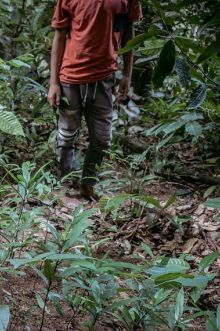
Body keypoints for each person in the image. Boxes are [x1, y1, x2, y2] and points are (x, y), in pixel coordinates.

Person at [47, 0, 142, 201]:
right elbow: (60, 34)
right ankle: (65, 185)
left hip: (104, 76)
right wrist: (53, 83)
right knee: (66, 134)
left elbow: (128, 32)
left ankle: (88, 184)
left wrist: (127, 74)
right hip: (70, 76)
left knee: (101, 138)